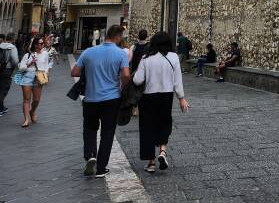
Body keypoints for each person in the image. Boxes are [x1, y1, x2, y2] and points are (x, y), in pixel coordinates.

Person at [71, 24, 130, 178]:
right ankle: (101, 168)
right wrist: (122, 86)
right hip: (112, 98)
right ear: (118, 36)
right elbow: (125, 75)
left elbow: (75, 72)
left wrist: (91, 72)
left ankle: (91, 155)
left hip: (91, 98)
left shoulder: (89, 51)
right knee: (107, 132)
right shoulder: (121, 53)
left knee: (90, 129)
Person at [133, 31, 190, 173]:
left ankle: (151, 162)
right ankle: (163, 151)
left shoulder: (146, 58)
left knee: (147, 127)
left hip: (148, 97)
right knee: (164, 122)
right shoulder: (173, 57)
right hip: (166, 95)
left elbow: (138, 80)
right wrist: (181, 98)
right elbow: (177, 80)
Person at [18, 35, 50, 128]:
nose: (42, 45)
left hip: (39, 77)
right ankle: (26, 120)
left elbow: (46, 66)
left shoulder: (45, 54)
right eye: (41, 43)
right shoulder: (28, 55)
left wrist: (45, 74)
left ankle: (32, 111)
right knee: (26, 99)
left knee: (36, 100)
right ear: (35, 45)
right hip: (27, 77)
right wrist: (30, 63)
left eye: (43, 43)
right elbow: (21, 68)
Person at [0, 32, 20, 117]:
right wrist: (16, 67)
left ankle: (2, 107)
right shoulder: (12, 47)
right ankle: (0, 109)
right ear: (13, 39)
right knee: (4, 89)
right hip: (7, 70)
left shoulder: (0, 45)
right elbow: (15, 61)